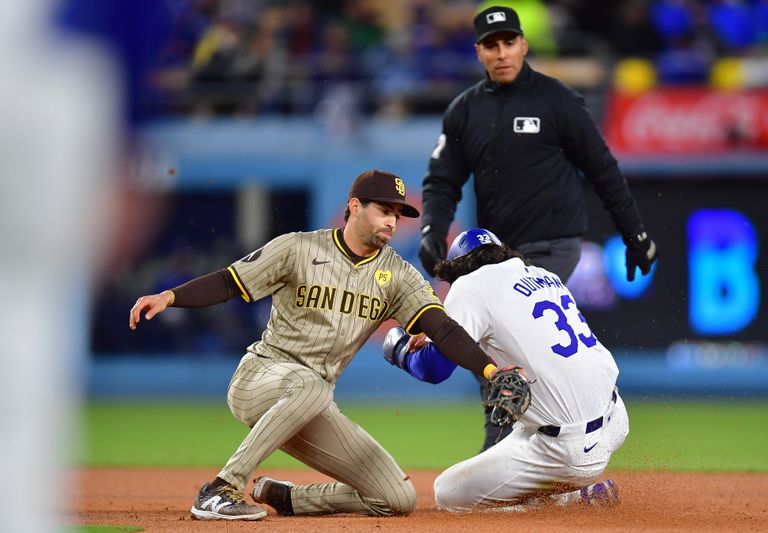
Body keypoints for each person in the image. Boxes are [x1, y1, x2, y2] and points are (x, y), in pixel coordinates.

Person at [129, 170, 525, 520]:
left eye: (396, 213)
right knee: (312, 386)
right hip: (261, 380)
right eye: (383, 210)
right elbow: (229, 282)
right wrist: (171, 297)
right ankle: (220, 488)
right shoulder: (298, 248)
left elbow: (443, 329)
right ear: (354, 206)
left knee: (396, 498)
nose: (391, 220)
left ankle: (287, 497)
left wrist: (491, 370)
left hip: (311, 400)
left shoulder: (398, 275)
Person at [417, 5, 657, 451]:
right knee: (494, 354)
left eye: (509, 41)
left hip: (551, 246)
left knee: (521, 347)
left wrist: (634, 232)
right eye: (491, 44)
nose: (502, 51)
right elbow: (442, 181)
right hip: (494, 256)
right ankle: (532, 456)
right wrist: (433, 227)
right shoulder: (465, 110)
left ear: (524, 45)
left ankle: (525, 453)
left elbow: (602, 168)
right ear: (479, 51)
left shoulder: (557, 100)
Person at [385, 228, 628, 511]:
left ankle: (568, 499)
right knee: (520, 422)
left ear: (457, 269)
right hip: (616, 421)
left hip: (568, 451)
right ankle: (568, 483)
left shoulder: (470, 286)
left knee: (447, 493)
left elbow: (434, 369)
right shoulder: (544, 275)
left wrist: (400, 350)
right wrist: (434, 337)